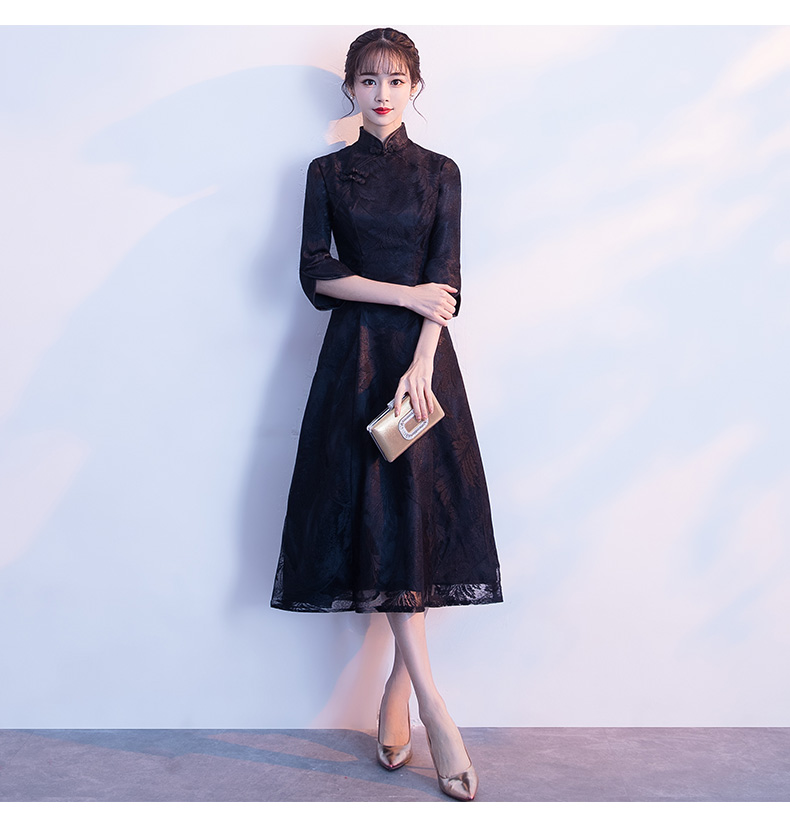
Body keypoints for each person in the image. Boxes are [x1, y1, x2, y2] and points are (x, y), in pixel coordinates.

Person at [270, 27, 502, 802]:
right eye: (368, 80)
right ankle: (435, 708)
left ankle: (400, 692)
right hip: (355, 362)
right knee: (379, 515)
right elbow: (317, 272)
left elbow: (447, 281)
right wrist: (404, 295)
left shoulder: (441, 172)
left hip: (422, 369)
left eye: (395, 80)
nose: (381, 93)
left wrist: (425, 359)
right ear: (348, 88)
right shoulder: (327, 173)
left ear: (415, 88)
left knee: (416, 522)